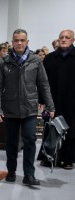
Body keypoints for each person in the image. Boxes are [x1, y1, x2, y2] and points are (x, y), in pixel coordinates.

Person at [0, 29, 55, 186]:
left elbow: (44, 84)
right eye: (16, 40)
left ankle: (29, 175)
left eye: (22, 40)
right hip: (10, 108)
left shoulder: (35, 61)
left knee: (30, 140)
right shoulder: (4, 61)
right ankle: (11, 171)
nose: (19, 43)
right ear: (12, 42)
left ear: (27, 42)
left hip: (30, 108)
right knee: (11, 143)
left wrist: (50, 105)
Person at [42, 29, 75, 169]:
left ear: (73, 40)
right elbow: (42, 82)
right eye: (61, 37)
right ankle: (48, 156)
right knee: (51, 128)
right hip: (53, 100)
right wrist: (42, 100)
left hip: (72, 101)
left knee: (71, 129)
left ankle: (68, 159)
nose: (63, 39)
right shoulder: (49, 58)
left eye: (67, 37)